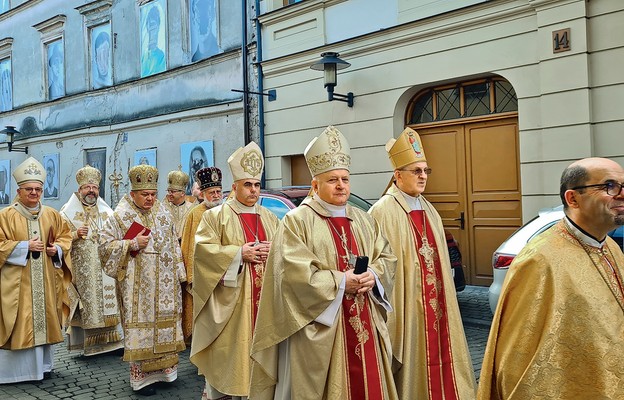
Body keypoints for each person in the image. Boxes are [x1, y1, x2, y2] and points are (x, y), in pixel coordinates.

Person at [250, 126, 398, 399]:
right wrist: (342, 281)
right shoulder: (298, 221)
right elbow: (292, 275)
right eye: (333, 180)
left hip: (365, 317)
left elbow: (386, 257)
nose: (341, 185)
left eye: (345, 179)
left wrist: (374, 276)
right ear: (315, 185)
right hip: (322, 329)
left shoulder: (364, 219)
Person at [477, 157, 624, 399]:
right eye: (609, 186)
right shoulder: (539, 259)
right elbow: (517, 359)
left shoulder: (610, 247)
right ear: (572, 198)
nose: (620, 193)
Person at [369, 127, 476, 399]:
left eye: (426, 171)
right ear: (397, 175)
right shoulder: (382, 211)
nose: (423, 177)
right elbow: (379, 263)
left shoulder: (429, 208)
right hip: (409, 307)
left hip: (436, 302)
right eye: (416, 171)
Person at [191, 142, 279, 400]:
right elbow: (203, 253)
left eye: (257, 185)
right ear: (234, 187)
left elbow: (285, 255)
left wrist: (276, 250)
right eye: (247, 185)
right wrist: (239, 254)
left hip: (265, 306)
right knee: (233, 361)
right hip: (233, 307)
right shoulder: (216, 216)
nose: (253, 190)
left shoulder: (270, 218)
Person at [98, 164, 186, 396]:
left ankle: (167, 373)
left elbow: (174, 245)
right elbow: (104, 247)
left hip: (166, 285)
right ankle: (143, 380)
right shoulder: (119, 216)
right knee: (141, 328)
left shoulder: (164, 213)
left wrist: (180, 272)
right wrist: (131, 244)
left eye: (153, 194)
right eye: (145, 195)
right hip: (137, 287)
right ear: (133, 193)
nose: (149, 199)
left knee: (165, 326)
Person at [0, 157, 73, 383]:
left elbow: (65, 236)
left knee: (44, 320)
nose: (34, 193)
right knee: (20, 320)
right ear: (19, 191)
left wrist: (57, 250)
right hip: (17, 283)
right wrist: (23, 247)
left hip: (46, 280)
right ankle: (16, 374)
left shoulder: (51, 214)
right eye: (29, 189)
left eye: (38, 189)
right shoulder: (5, 216)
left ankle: (43, 368)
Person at [60, 165, 124, 356]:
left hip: (105, 268)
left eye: (94, 188)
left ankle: (114, 342)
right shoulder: (66, 213)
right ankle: (90, 346)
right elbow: (59, 240)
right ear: (79, 190)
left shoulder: (107, 211)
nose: (91, 191)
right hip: (82, 269)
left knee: (109, 304)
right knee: (90, 306)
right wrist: (75, 234)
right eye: (87, 187)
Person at [179, 166, 222, 344]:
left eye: (218, 191)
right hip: (203, 276)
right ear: (203, 193)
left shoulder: (226, 211)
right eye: (211, 192)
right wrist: (192, 276)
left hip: (226, 272)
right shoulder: (195, 214)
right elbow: (188, 247)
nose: (216, 196)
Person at [162, 169, 195, 241]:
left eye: (172, 191)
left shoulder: (192, 208)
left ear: (182, 193)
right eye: (168, 191)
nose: (169, 194)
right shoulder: (163, 208)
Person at [140, 4, 166, 77]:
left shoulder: (161, 56)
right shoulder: (143, 57)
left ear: (158, 27)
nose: (151, 29)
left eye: (153, 24)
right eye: (150, 25)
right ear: (147, 27)